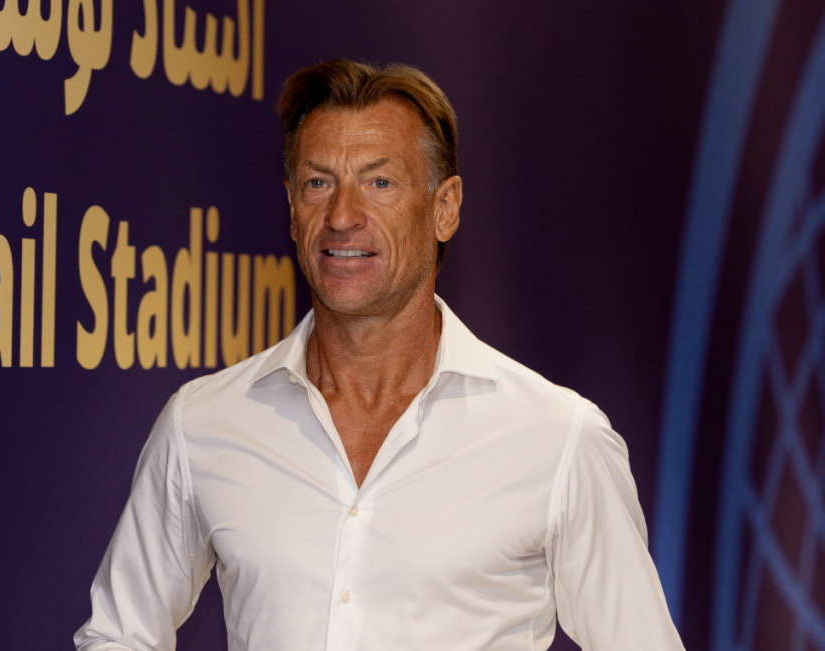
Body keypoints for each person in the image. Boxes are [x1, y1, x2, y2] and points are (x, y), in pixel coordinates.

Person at [74, 59, 685, 650]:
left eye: (379, 182)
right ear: (292, 209)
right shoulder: (203, 423)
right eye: (318, 183)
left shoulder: (558, 438)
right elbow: (117, 635)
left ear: (444, 209)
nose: (341, 216)